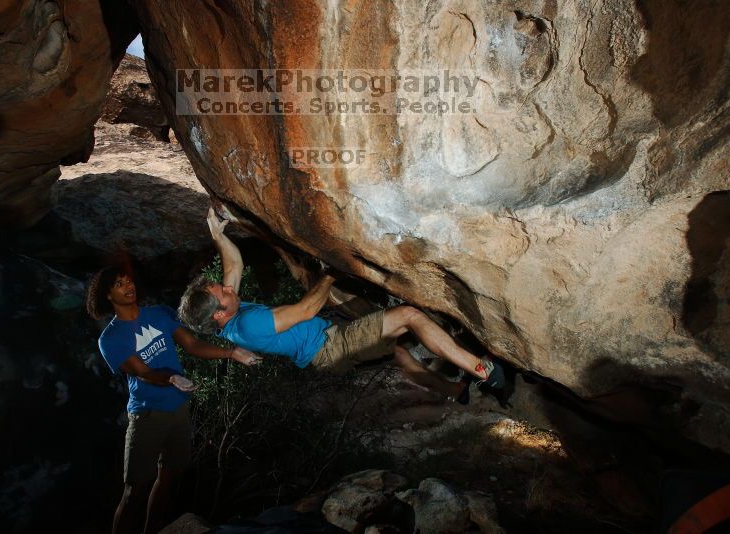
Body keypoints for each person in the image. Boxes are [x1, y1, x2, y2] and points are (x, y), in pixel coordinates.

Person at [177, 208, 504, 403]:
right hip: (331, 347)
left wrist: (219, 236)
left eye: (218, 285)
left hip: (327, 348)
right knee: (409, 316)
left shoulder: (230, 317)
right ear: (220, 313)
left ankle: (455, 390)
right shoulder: (248, 325)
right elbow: (306, 310)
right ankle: (481, 370)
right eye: (220, 291)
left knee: (398, 353)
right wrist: (330, 272)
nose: (224, 286)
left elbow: (233, 268)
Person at [87, 265, 260, 534]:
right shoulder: (110, 338)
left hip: (178, 409)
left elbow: (192, 345)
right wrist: (170, 378)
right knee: (134, 490)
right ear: (108, 295)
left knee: (170, 478)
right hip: (147, 414)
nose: (128, 285)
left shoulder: (159, 314)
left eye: (129, 280)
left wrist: (231, 353)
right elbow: (141, 372)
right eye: (119, 284)